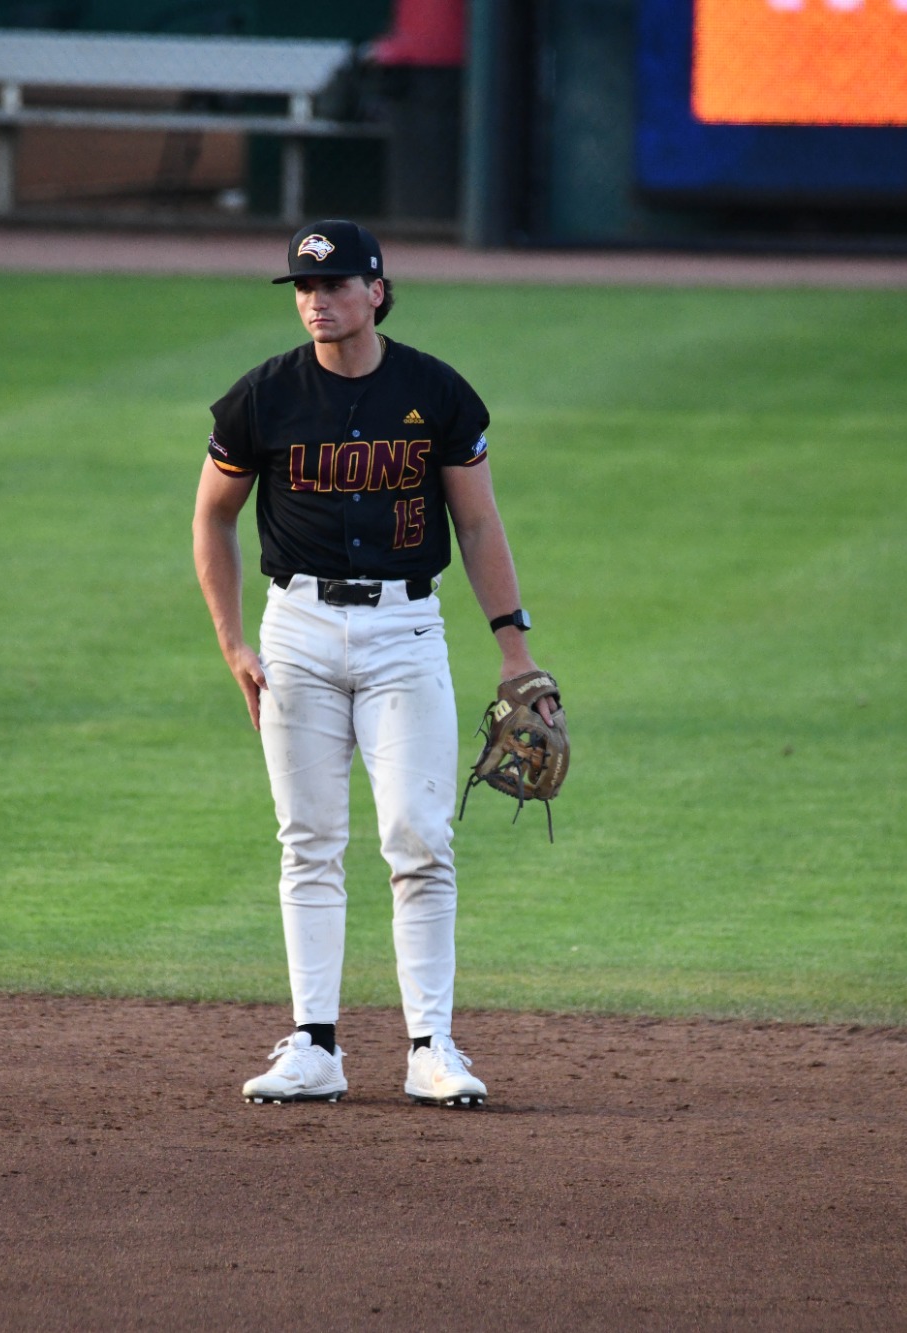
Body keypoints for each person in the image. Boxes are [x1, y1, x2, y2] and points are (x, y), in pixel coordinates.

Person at [191, 219, 549, 1107]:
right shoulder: (261, 398)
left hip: (405, 634)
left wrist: (516, 651)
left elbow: (477, 524)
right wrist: (234, 642)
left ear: (378, 291)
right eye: (305, 288)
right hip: (296, 633)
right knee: (307, 839)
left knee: (419, 839)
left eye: (336, 285)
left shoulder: (437, 394)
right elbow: (212, 516)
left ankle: (432, 1046)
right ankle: (314, 1044)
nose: (317, 301)